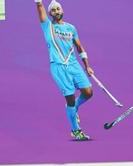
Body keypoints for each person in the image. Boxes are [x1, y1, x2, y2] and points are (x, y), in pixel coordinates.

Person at [36, 0, 96, 141]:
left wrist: (87, 66)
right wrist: (38, 2)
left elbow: (79, 47)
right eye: (53, 10)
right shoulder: (48, 26)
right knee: (70, 99)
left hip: (74, 65)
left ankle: (74, 109)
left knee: (88, 92)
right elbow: (39, 6)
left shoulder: (71, 28)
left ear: (62, 11)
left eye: (58, 9)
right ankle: (76, 131)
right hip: (59, 67)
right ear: (50, 14)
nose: (56, 11)